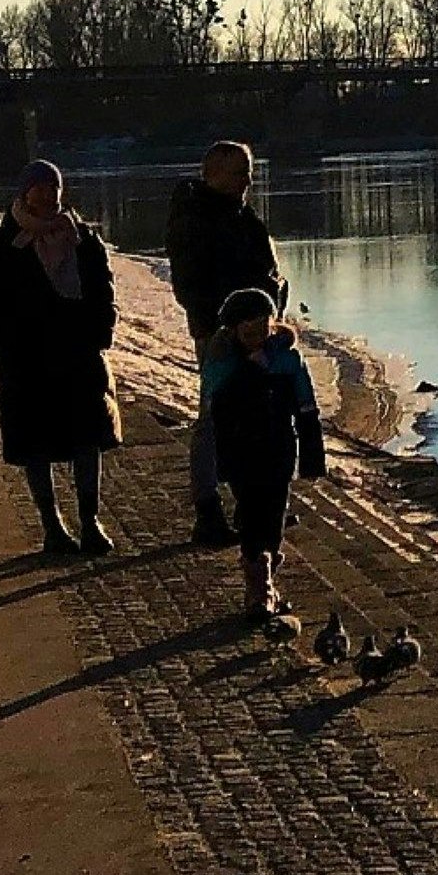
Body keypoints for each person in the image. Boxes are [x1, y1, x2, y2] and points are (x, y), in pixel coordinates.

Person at [0, 161, 121, 555]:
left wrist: (100, 330)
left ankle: (90, 520)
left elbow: (103, 290)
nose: (47, 194)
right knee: (35, 445)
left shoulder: (82, 238)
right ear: (24, 194)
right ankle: (52, 525)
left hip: (79, 358)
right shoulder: (3, 247)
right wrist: (6, 345)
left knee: (88, 440)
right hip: (27, 364)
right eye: (39, 187)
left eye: (53, 187)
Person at [167, 141, 290, 547]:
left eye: (249, 172)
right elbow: (190, 286)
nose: (247, 180)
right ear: (212, 173)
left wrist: (274, 302)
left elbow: (266, 270)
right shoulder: (195, 218)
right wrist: (232, 322)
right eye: (239, 172)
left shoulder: (242, 217)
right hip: (220, 336)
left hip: (259, 331)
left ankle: (250, 501)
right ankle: (207, 509)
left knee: (257, 417)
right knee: (215, 417)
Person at [201, 288, 324, 620]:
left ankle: (265, 576)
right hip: (240, 452)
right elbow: (217, 409)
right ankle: (259, 584)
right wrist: (251, 372)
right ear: (234, 331)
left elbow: (307, 408)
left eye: (263, 328)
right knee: (251, 513)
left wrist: (313, 457)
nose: (256, 336)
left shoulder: (287, 359)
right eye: (248, 330)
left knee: (274, 514)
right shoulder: (221, 364)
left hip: (279, 448)